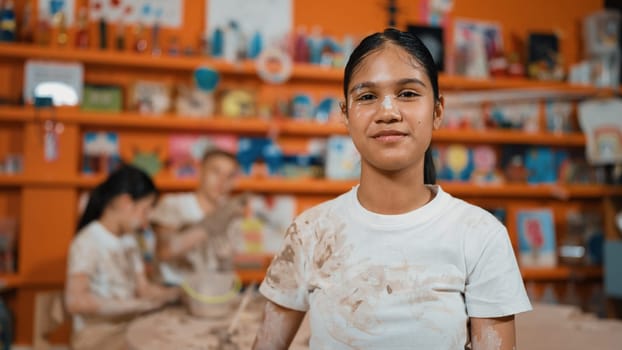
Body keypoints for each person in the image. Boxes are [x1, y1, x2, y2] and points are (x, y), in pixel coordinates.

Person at [253, 28, 532, 350]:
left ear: (438, 111)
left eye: (408, 94)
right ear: (345, 114)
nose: (388, 112)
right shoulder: (310, 232)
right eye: (367, 97)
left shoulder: (480, 235)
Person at [65, 165, 179, 350]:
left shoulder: (129, 239)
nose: (147, 218)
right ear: (125, 202)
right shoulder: (88, 241)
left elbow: (143, 289)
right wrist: (134, 306)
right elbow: (76, 302)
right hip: (95, 335)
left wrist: (177, 293)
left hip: (127, 326)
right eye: (145, 209)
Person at [150, 148, 245, 286]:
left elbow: (228, 266)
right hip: (170, 292)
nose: (222, 181)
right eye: (215, 172)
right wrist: (215, 222)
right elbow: (164, 252)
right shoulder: (172, 205)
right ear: (200, 172)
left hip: (209, 294)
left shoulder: (232, 215)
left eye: (229, 176)